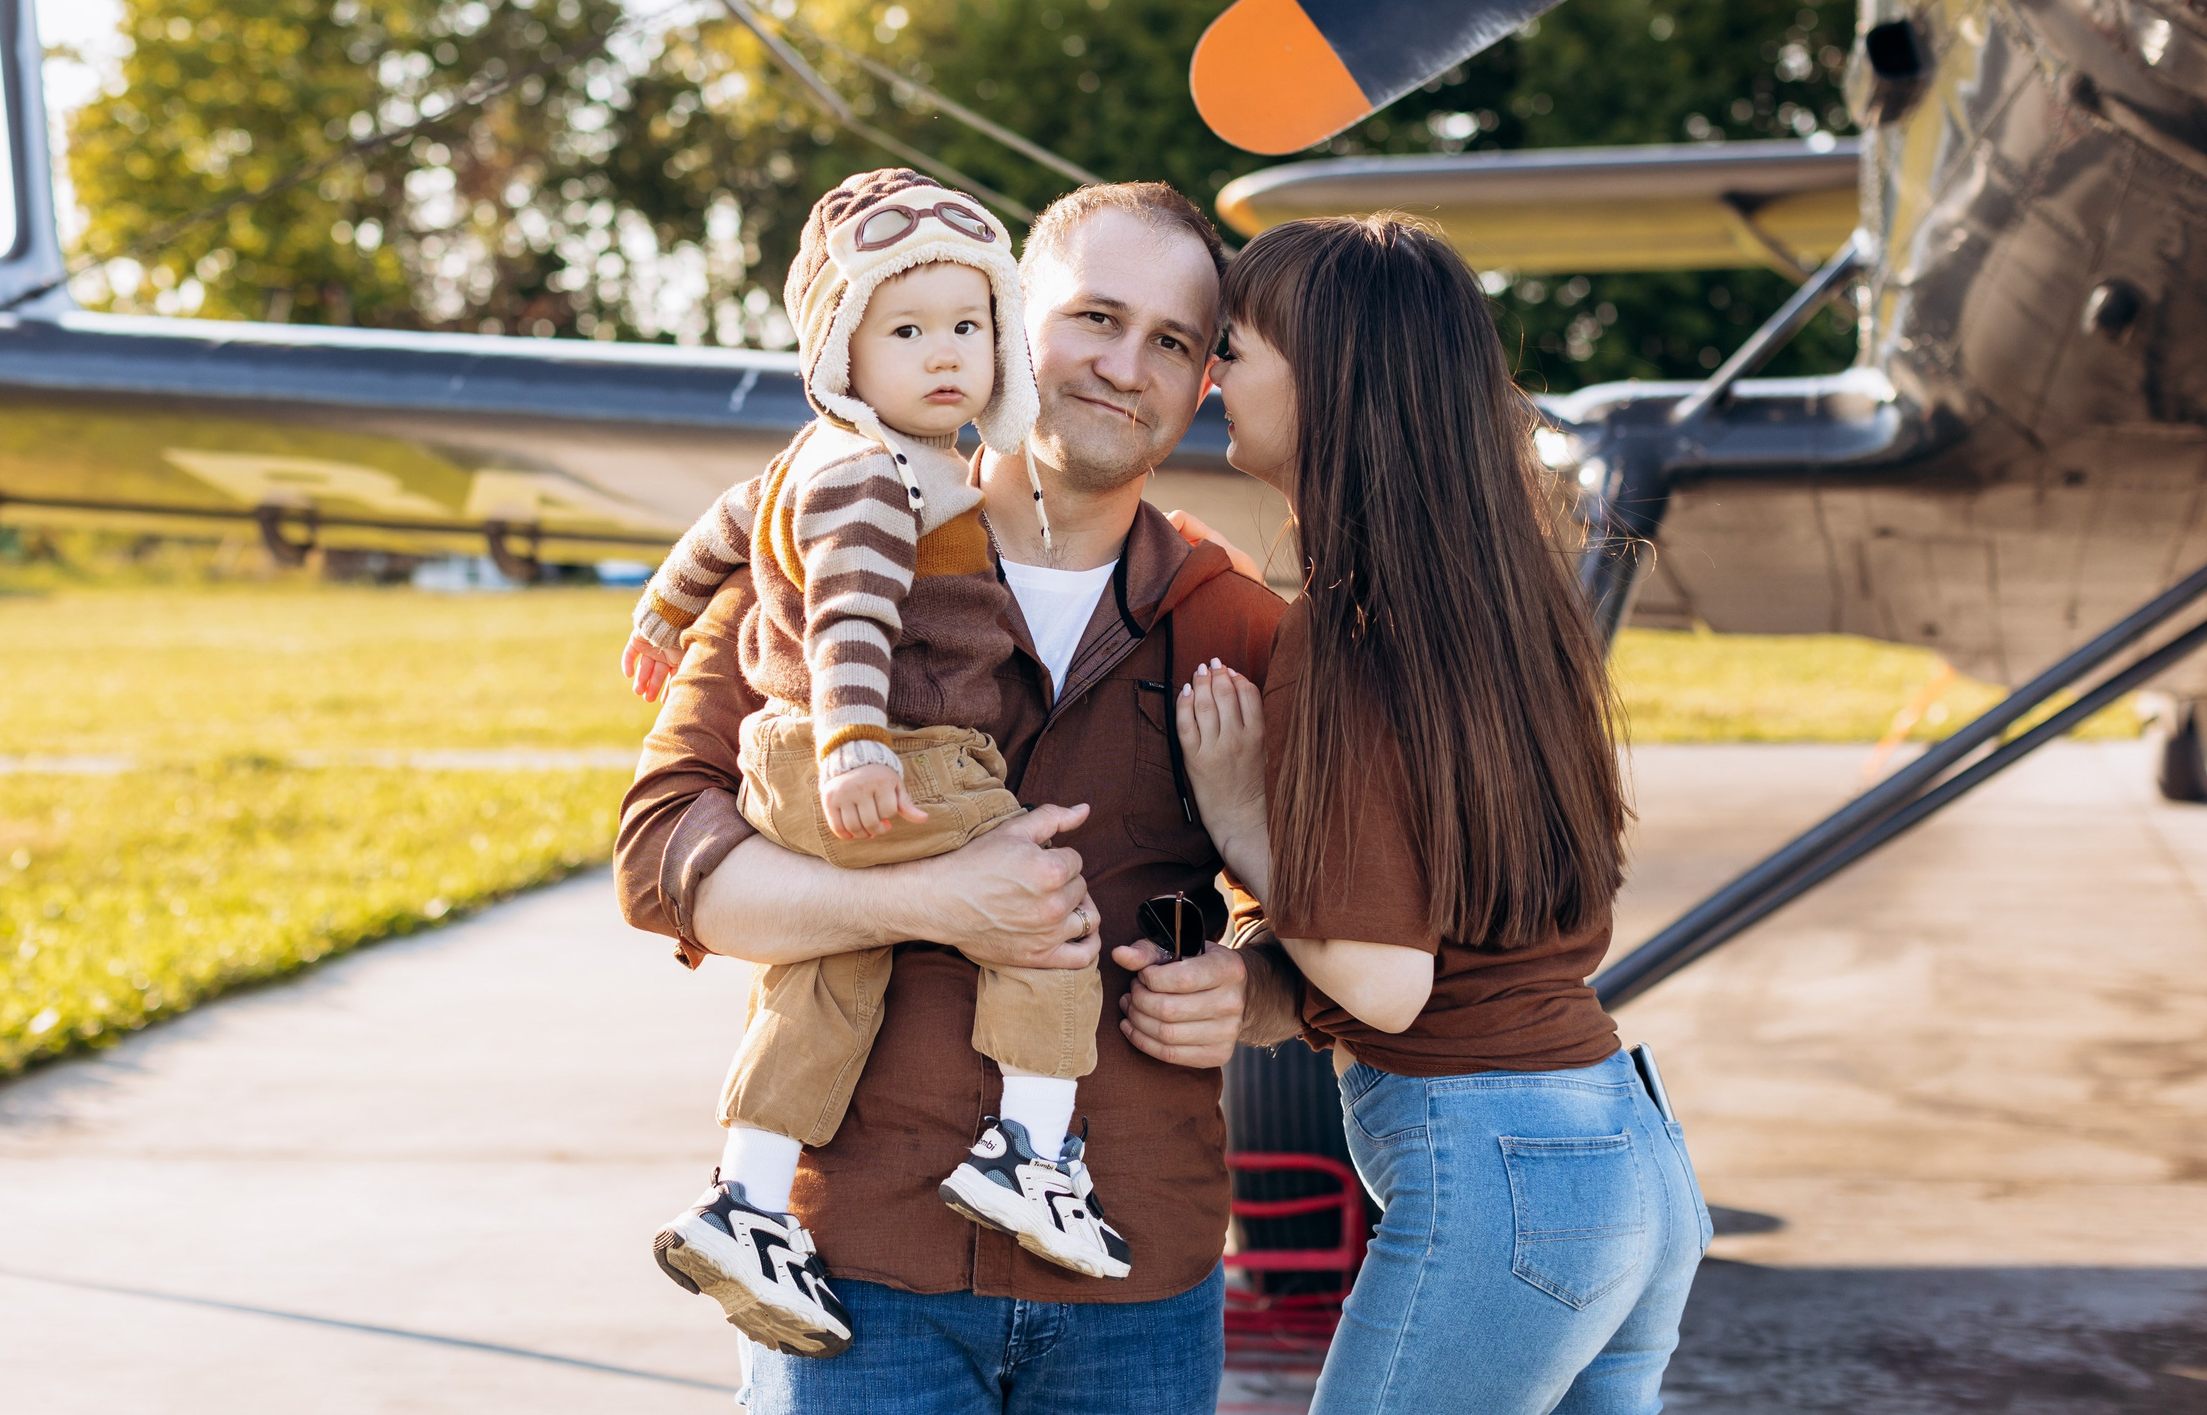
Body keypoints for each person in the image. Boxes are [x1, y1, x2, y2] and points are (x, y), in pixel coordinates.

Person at [616, 179, 1301, 1413]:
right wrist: (938, 900)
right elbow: (663, 856)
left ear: (1203, 383)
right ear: (1005, 321)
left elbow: (1341, 925)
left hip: (1135, 1271)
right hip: (853, 1269)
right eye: (1092, 317)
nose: (1121, 367)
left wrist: (1251, 993)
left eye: (1171, 342)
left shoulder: (1237, 619)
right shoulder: (810, 553)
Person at [1174, 213, 1711, 1415]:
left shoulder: (1344, 629)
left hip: (1502, 1174)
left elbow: (1381, 981)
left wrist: (1237, 816)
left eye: (1236, 347)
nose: (1211, 375)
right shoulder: (1506, 605)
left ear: (1331, 378)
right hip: (1625, 1151)